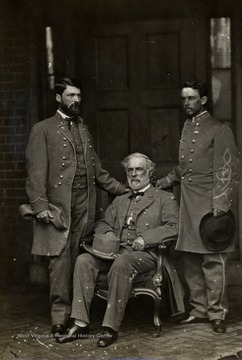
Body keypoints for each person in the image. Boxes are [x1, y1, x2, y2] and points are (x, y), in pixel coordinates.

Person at [24, 77, 127, 338]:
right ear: (58, 98)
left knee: (82, 259)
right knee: (59, 261)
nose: (76, 100)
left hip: (85, 204)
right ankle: (59, 317)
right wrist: (40, 206)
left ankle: (78, 317)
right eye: (71, 96)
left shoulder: (83, 129)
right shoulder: (43, 129)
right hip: (59, 206)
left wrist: (124, 190)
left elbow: (99, 172)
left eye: (78, 95)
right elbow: (35, 172)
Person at [56, 152, 185, 347]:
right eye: (130, 170)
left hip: (146, 255)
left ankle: (109, 328)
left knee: (122, 262)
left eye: (139, 169)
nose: (134, 174)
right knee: (84, 261)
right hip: (115, 254)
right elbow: (102, 222)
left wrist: (146, 238)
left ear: (149, 173)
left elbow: (174, 227)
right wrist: (107, 233)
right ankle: (80, 323)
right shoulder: (120, 200)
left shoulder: (164, 198)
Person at [156, 80, 240, 333]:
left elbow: (227, 169)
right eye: (184, 98)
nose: (186, 103)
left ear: (203, 100)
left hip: (210, 204)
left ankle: (217, 313)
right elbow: (185, 169)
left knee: (213, 260)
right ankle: (199, 310)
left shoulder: (218, 130)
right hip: (188, 203)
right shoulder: (187, 127)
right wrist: (163, 182)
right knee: (191, 259)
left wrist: (221, 205)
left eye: (191, 98)